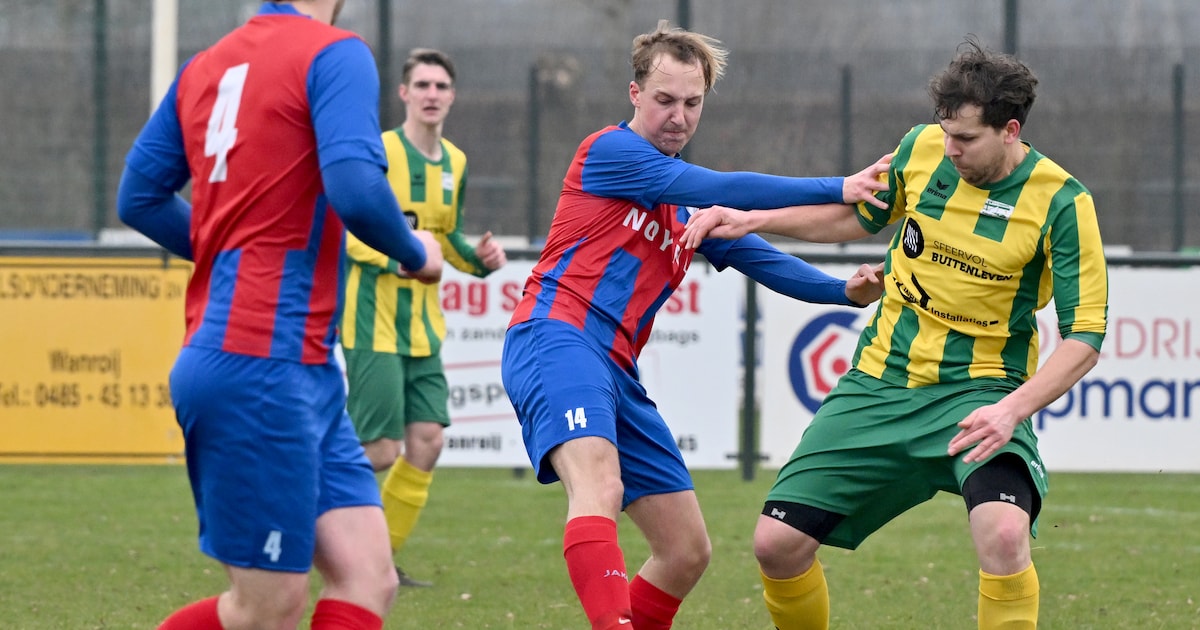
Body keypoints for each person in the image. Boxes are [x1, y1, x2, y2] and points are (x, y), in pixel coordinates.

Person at [682, 37, 1109, 629]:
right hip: (879, 383)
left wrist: (1011, 410)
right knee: (775, 545)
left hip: (979, 393)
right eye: (945, 133)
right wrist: (754, 220)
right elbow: (857, 217)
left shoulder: (1062, 202)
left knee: (1005, 532)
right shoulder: (922, 147)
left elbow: (1085, 336)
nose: (950, 149)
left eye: (966, 139)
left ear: (1010, 131)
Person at [500, 20, 893, 630]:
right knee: (597, 485)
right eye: (664, 100)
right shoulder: (611, 151)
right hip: (558, 335)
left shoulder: (688, 207)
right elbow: (722, 186)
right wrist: (839, 185)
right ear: (635, 94)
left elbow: (767, 262)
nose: (678, 116)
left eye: (691, 102)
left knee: (685, 551)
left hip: (617, 370)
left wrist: (844, 291)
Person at [115, 1, 444, 628]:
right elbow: (354, 187)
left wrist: (225, 247)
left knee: (366, 577)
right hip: (258, 363)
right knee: (267, 608)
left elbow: (139, 198)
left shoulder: (205, 66)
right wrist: (413, 253)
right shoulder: (333, 52)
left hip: (297, 369)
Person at [341, 47, 507, 588]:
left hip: (423, 330)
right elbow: (351, 230)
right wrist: (407, 260)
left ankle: (378, 562)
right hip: (373, 322)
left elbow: (446, 237)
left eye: (442, 86)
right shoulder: (379, 151)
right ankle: (297, 520)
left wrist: (477, 264)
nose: (433, 94)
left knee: (428, 442)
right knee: (379, 450)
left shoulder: (454, 161)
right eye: (423, 85)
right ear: (404, 94)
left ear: (452, 96)